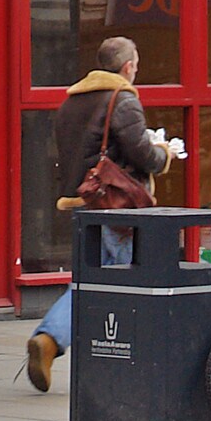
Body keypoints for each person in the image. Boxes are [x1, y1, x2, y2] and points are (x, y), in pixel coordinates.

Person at [24, 37, 177, 392]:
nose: (136, 71)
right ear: (127, 67)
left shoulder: (72, 101)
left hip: (84, 204)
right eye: (136, 65)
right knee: (118, 282)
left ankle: (56, 343)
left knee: (91, 278)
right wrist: (163, 152)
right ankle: (56, 340)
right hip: (117, 207)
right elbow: (143, 155)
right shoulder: (122, 100)